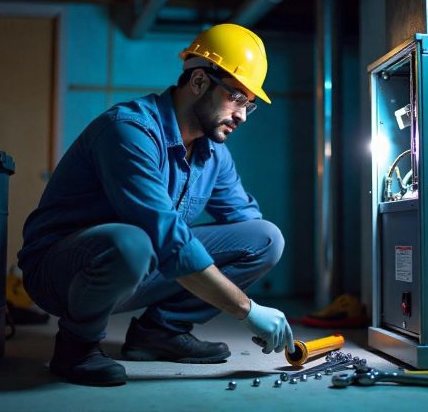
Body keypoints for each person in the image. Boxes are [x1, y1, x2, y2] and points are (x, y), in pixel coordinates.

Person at [17, 23, 294, 387]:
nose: (242, 114)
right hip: (62, 272)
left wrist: (241, 293)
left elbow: (246, 228)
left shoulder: (213, 153)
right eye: (237, 98)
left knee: (266, 238)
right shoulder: (128, 130)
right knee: (134, 242)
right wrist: (247, 310)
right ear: (198, 82)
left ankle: (160, 332)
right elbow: (163, 235)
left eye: (250, 105)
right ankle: (76, 347)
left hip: (143, 261)